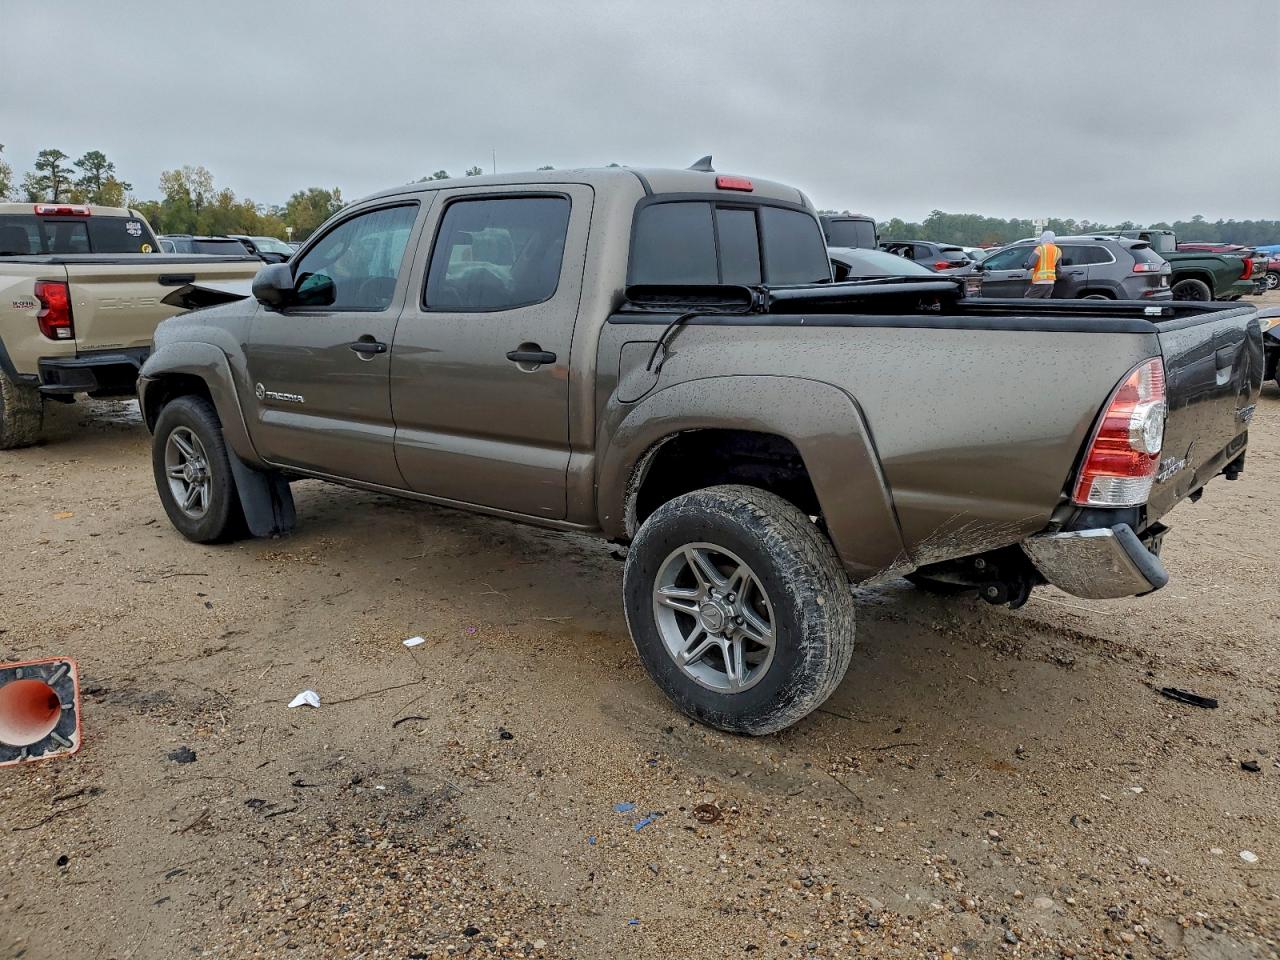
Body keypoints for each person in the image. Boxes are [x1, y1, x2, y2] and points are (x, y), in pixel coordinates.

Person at [1024, 230, 1061, 298]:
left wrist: (1025, 265)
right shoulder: (1058, 250)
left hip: (1039, 281)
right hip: (1051, 282)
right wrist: (1056, 278)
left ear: (1043, 238)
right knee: (1044, 303)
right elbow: (1058, 269)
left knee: (1028, 300)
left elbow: (1030, 265)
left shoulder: (1040, 249)